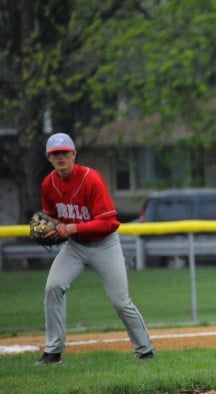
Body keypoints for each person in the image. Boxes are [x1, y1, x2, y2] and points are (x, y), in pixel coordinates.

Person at [35, 132, 155, 365]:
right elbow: (50, 218)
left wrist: (70, 228)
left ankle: (145, 350)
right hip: (75, 247)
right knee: (53, 286)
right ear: (49, 158)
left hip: (104, 244)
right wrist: (51, 228)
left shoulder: (91, 179)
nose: (60, 157)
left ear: (73, 154)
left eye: (64, 153)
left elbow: (107, 222)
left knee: (120, 301)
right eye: (55, 154)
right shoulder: (48, 183)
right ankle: (53, 351)